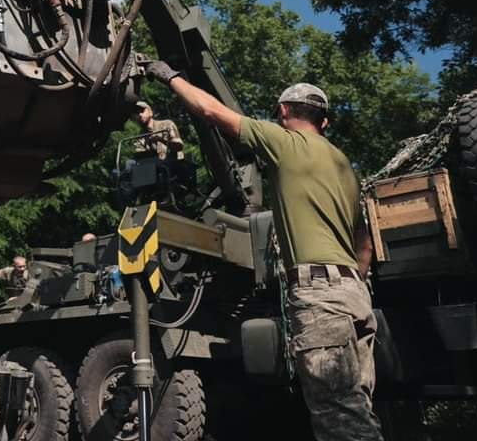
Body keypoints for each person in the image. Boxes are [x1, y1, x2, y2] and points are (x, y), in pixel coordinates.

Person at [146, 61, 381, 441]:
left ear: (284, 112)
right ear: (324, 121)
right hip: (356, 297)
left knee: (338, 417)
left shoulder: (285, 143)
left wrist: (169, 76)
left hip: (321, 297)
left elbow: (211, 111)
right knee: (357, 406)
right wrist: (351, 282)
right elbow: (364, 243)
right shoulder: (344, 167)